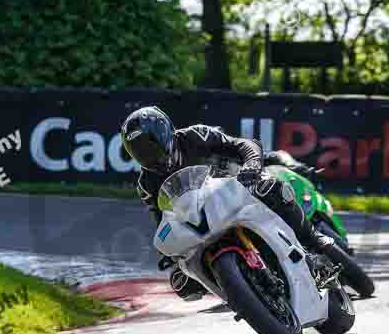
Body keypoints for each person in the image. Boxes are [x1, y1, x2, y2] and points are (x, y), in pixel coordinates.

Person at [121, 106, 339, 301]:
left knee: (271, 187)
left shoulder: (194, 136)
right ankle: (242, 293)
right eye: (138, 152)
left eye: (148, 146)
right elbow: (162, 220)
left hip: (239, 189)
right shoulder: (146, 184)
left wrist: (252, 164)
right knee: (182, 282)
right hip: (203, 219)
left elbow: (241, 144)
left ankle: (312, 238)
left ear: (163, 133)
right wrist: (170, 257)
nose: (146, 155)